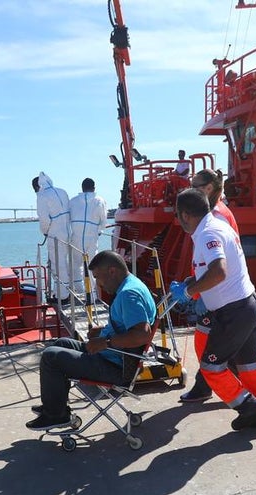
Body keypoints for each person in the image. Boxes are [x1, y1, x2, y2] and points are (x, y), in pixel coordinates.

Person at [171, 188, 256, 430]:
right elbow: (213, 269)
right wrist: (192, 282)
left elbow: (219, 271)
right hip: (247, 305)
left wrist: (188, 292)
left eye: (178, 216)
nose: (178, 221)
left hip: (233, 312)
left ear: (186, 215)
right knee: (250, 364)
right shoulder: (217, 226)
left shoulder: (207, 233)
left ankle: (249, 408)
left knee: (211, 367)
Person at [26, 249, 155, 430]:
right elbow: (129, 325)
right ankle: (55, 406)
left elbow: (142, 334)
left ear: (112, 271)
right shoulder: (132, 284)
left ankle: (56, 415)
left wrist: (106, 342)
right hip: (112, 356)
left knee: (50, 357)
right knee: (61, 344)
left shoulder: (128, 294)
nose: (98, 284)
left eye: (98, 277)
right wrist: (102, 332)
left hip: (117, 368)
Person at [178, 168, 240, 404]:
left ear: (209, 189)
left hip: (218, 290)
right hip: (215, 288)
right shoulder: (216, 214)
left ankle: (215, 387)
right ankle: (210, 384)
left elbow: (219, 265)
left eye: (196, 186)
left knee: (209, 341)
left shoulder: (216, 217)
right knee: (218, 341)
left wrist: (194, 289)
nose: (193, 190)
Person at [33, 173, 72, 302]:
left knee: (57, 263)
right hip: (68, 231)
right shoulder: (62, 191)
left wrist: (45, 231)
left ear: (37, 186)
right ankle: (67, 290)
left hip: (55, 233)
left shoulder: (42, 196)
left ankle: (63, 296)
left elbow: (44, 218)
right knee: (66, 262)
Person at [68, 178, 109, 298]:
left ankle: (79, 291)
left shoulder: (73, 201)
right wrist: (99, 230)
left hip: (76, 237)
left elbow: (68, 218)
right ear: (94, 188)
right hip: (92, 238)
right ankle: (92, 294)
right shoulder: (100, 201)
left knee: (76, 264)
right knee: (92, 265)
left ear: (82, 188)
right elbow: (103, 221)